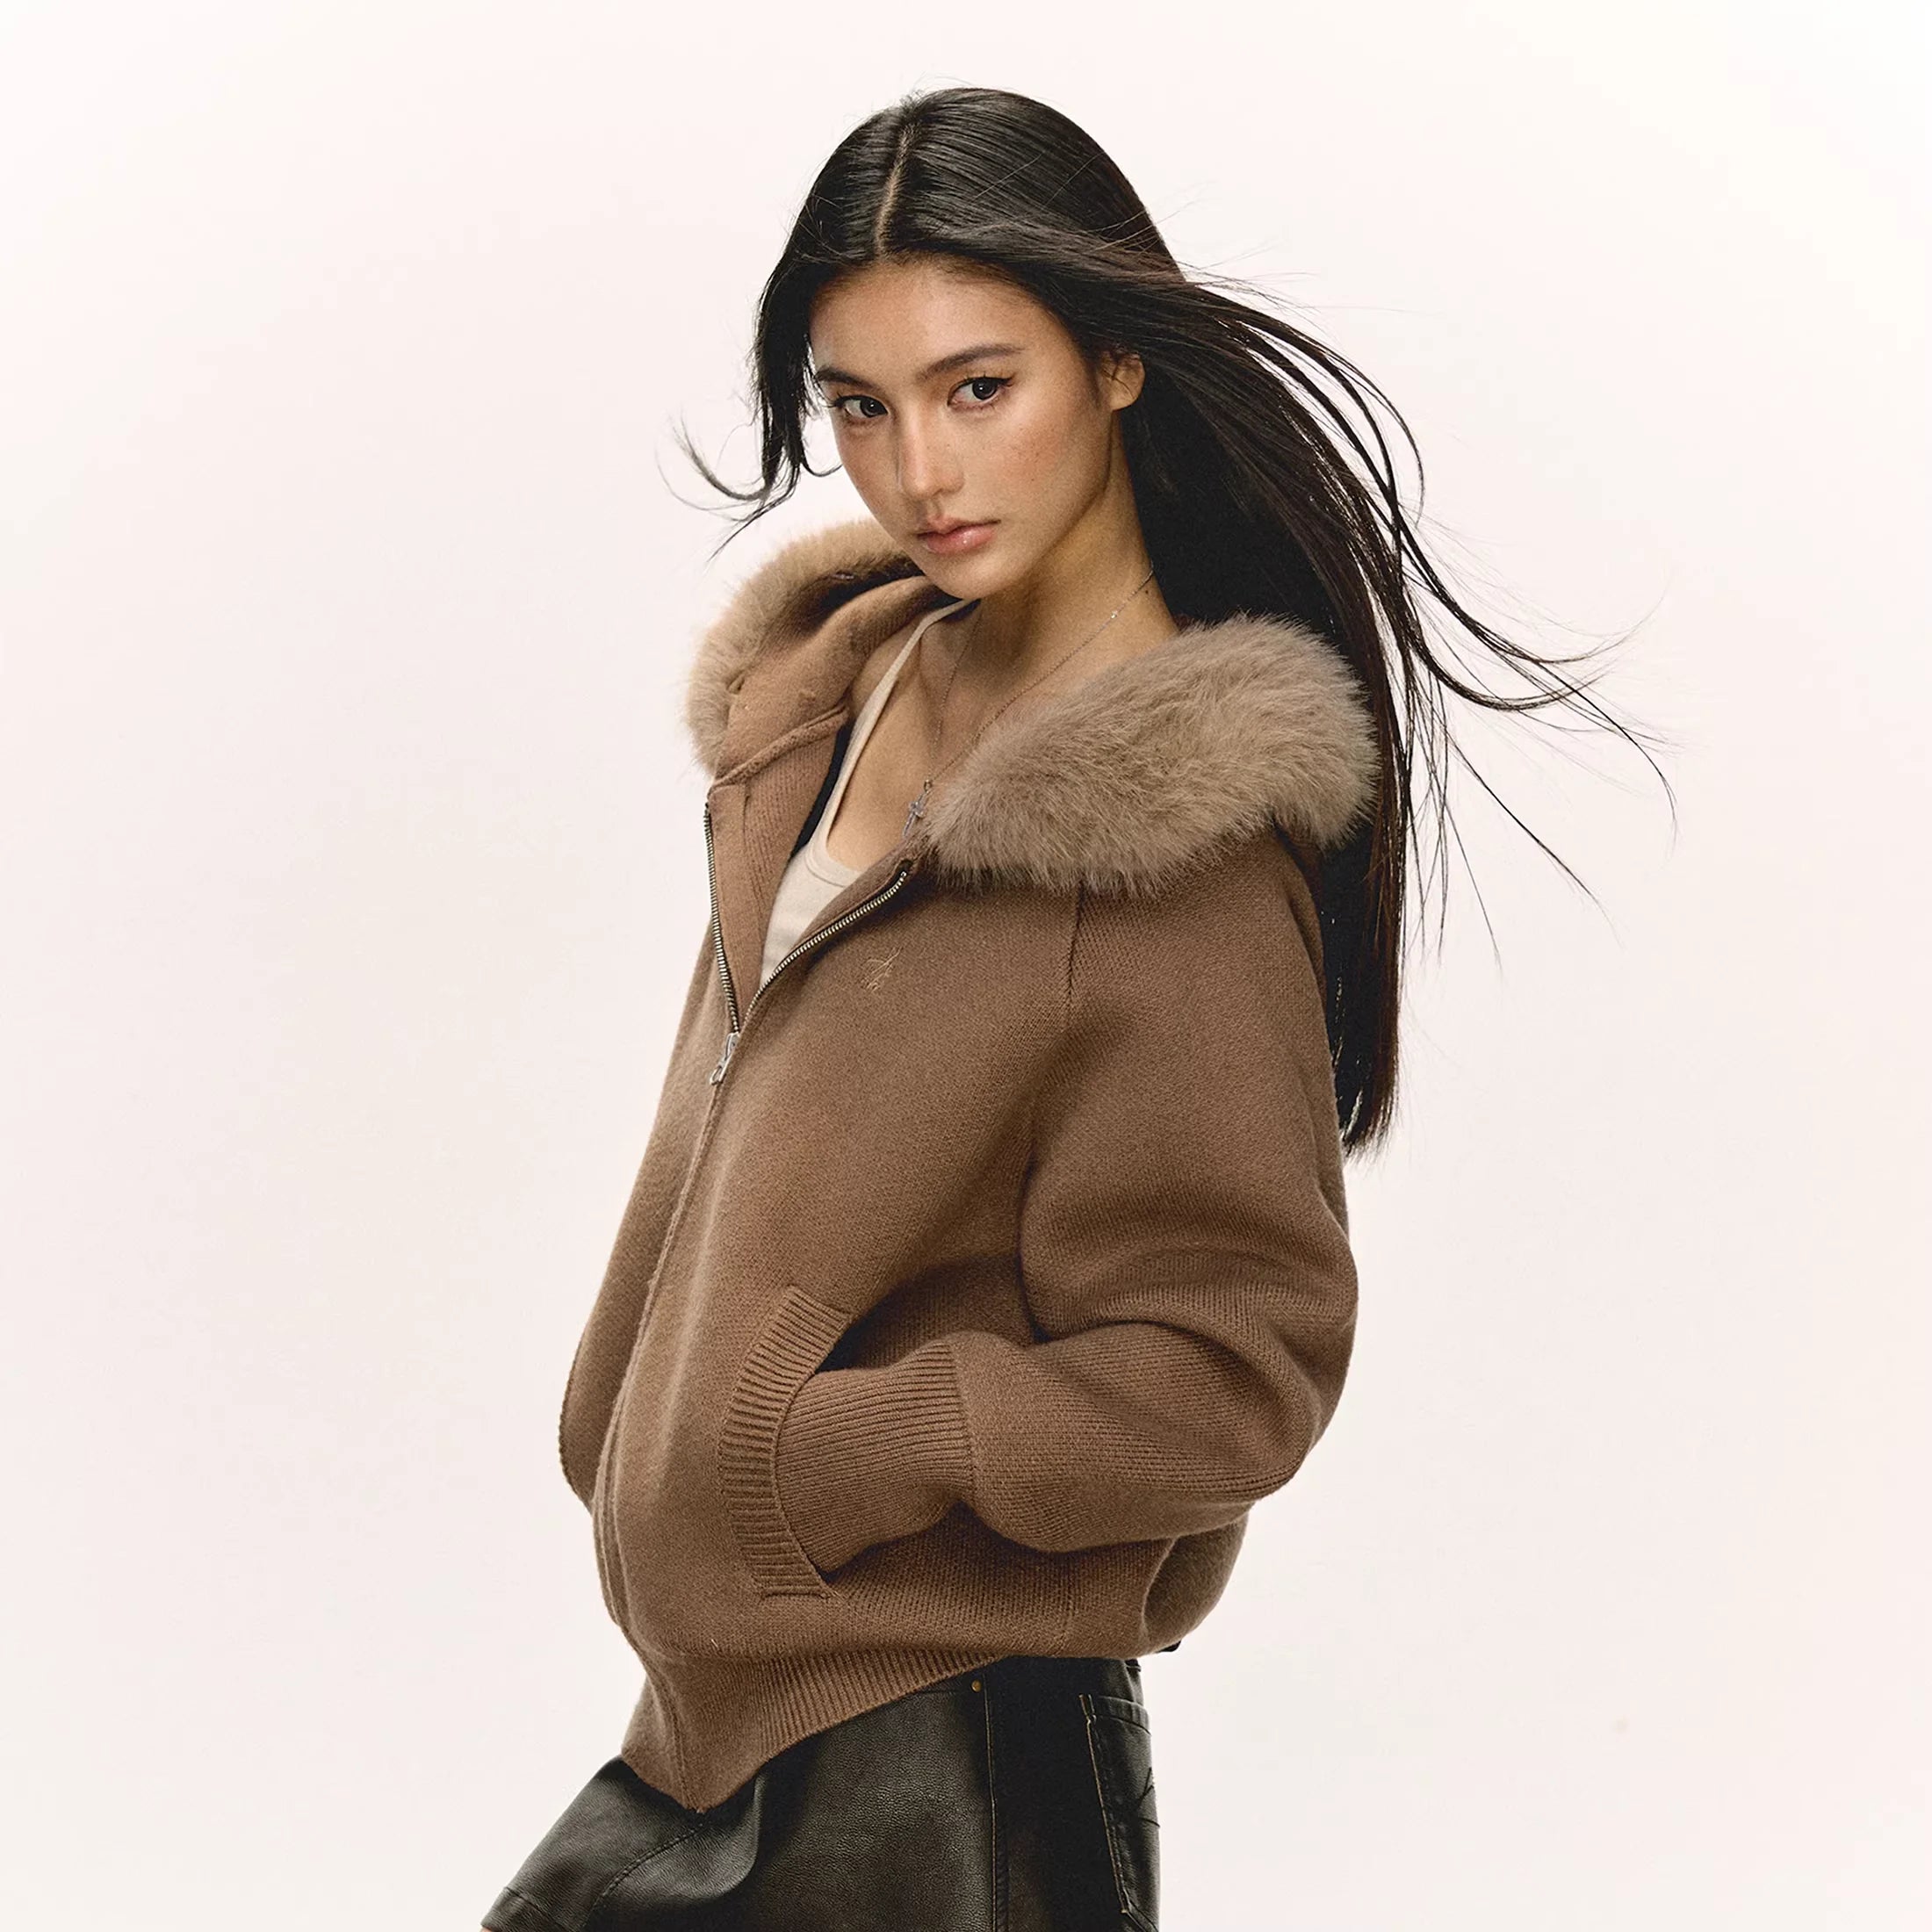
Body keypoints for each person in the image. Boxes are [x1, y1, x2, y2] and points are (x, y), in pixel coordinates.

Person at [480, 84, 1654, 1932]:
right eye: (859, 406)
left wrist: (826, 1454)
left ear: (1113, 361)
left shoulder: (1170, 851)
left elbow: (1236, 1365)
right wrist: (633, 1424)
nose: (919, 474)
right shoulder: (836, 705)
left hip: (943, 1766)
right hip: (708, 1738)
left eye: (977, 388)